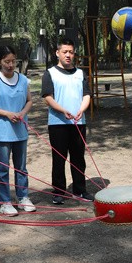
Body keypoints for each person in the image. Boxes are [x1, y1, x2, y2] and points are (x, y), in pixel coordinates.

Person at [0, 46, 36, 215]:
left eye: (13, 61)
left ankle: (22, 197)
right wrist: (7, 113)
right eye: (7, 61)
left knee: (21, 167)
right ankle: (3, 201)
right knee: (2, 168)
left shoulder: (23, 80)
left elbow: (29, 101)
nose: (11, 65)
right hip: (1, 132)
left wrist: (22, 113)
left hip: (20, 130)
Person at [41, 38, 93, 205]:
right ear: (57, 53)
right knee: (59, 159)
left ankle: (80, 190)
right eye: (65, 52)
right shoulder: (50, 73)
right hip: (58, 124)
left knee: (78, 158)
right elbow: (48, 97)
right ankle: (59, 192)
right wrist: (63, 110)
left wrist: (82, 109)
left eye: (71, 52)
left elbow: (86, 95)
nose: (68, 55)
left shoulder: (80, 74)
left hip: (78, 122)